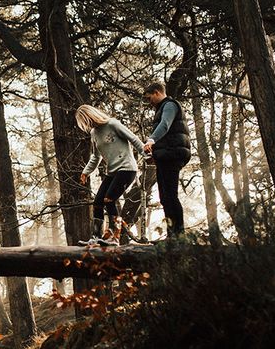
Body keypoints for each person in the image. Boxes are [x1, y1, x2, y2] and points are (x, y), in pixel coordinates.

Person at [75, 104, 145, 245]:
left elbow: (133, 138)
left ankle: (114, 237)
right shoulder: (94, 133)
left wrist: (146, 153)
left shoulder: (112, 124)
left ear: (91, 115)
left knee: (109, 199)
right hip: (112, 172)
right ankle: (95, 238)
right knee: (97, 202)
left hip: (127, 169)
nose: (87, 125)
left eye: (86, 121)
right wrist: (86, 171)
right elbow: (96, 157)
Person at [142, 82, 192, 237]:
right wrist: (155, 154)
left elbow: (165, 125)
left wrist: (151, 140)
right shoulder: (162, 108)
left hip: (173, 154)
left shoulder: (169, 105)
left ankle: (178, 235)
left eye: (149, 98)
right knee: (165, 197)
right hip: (166, 155)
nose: (149, 102)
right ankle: (172, 235)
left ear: (157, 92)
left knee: (170, 195)